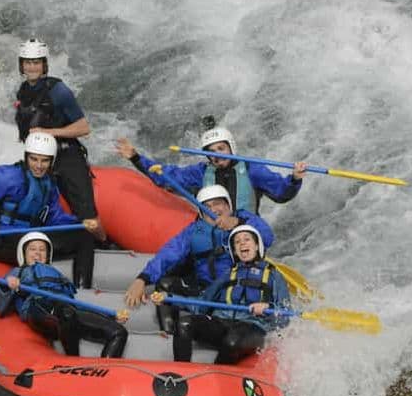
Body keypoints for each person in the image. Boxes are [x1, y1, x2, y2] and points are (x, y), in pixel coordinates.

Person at [123, 184, 274, 333]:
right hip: (206, 292)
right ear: (201, 212)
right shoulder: (194, 231)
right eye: (207, 206)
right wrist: (143, 278)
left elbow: (267, 237)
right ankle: (169, 335)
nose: (214, 210)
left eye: (218, 204)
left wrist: (237, 223)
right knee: (165, 284)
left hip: (238, 294)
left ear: (228, 205)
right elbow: (168, 254)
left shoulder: (244, 220)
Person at [0, 131, 99, 287]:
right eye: (34, 159)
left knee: (84, 236)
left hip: (32, 236)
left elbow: (54, 217)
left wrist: (80, 224)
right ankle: (31, 290)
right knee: (33, 246)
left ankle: (82, 289)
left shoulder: (49, 183)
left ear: (52, 161)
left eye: (45, 161)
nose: (39, 166)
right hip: (2, 238)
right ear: (26, 156)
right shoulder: (7, 176)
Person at [152, 224, 291, 364]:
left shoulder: (274, 276)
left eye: (247, 239)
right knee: (184, 324)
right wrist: (169, 298)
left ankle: (216, 380)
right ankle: (180, 375)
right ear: (235, 251)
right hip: (222, 322)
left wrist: (267, 307)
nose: (242, 243)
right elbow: (201, 304)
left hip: (253, 327)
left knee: (232, 341)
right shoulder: (228, 274)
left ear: (256, 246)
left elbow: (285, 315)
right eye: (237, 241)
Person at [14, 38, 105, 241]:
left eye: (36, 62)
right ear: (22, 65)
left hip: (66, 156)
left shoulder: (59, 91)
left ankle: (102, 241)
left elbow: (84, 128)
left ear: (44, 64)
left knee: (86, 212)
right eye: (28, 62)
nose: (32, 67)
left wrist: (49, 132)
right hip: (40, 160)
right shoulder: (23, 91)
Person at [0, 232, 128, 358]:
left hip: (67, 311)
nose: (37, 253)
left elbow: (74, 304)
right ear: (23, 253)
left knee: (118, 332)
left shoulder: (57, 274)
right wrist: (6, 285)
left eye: (42, 249)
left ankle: (105, 372)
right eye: (32, 249)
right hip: (38, 309)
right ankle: (73, 363)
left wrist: (111, 315)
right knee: (66, 313)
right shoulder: (18, 272)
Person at [115, 127, 308, 215]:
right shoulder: (201, 172)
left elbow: (282, 193)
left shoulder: (252, 169)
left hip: (245, 233)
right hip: (213, 232)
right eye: (211, 152)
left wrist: (295, 178)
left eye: (221, 149)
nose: (216, 155)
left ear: (231, 148)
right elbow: (165, 176)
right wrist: (135, 157)